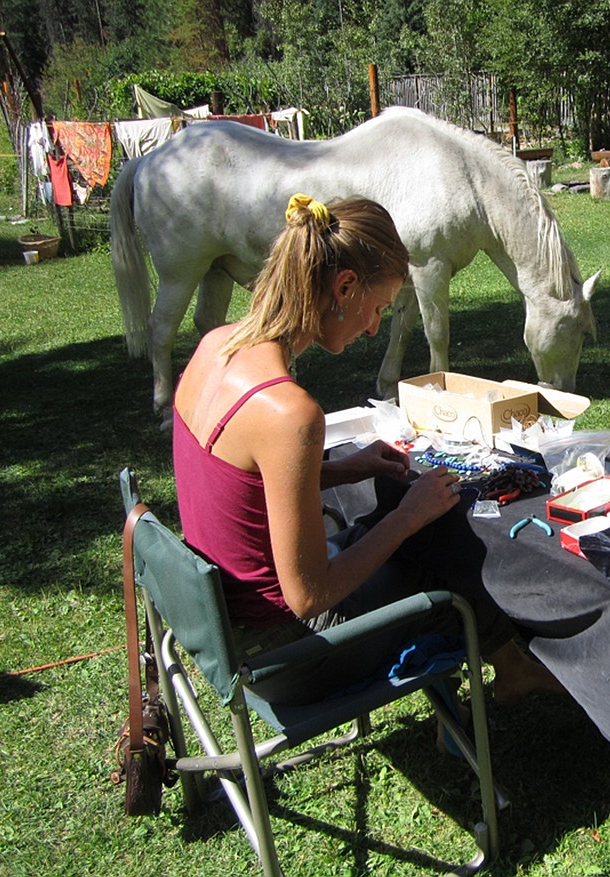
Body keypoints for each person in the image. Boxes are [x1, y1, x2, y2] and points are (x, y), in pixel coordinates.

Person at [173, 193, 562, 720]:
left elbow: (244, 484)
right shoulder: (290, 412)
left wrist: (346, 468)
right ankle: (509, 673)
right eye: (377, 308)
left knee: (404, 531)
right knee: (441, 557)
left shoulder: (216, 347)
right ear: (345, 287)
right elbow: (310, 597)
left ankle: (509, 669)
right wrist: (407, 517)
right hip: (286, 658)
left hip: (227, 629)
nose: (374, 328)